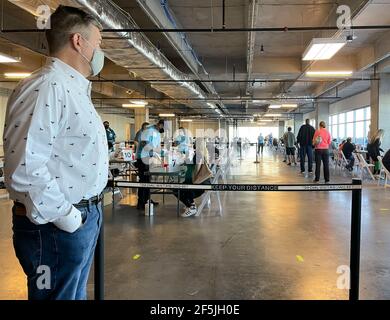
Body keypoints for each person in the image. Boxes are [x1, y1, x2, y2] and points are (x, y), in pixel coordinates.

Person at [3, 6, 107, 300]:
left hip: (80, 219)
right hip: (54, 228)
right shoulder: (46, 87)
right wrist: (70, 218)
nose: (100, 51)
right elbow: (24, 169)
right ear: (78, 41)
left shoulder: (71, 88)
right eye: (98, 43)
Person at [174, 138, 210, 218]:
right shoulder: (203, 153)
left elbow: (197, 169)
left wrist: (192, 180)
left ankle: (191, 207)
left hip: (197, 184)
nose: (193, 145)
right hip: (200, 182)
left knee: (176, 189)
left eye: (194, 143)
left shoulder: (199, 154)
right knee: (178, 187)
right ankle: (190, 204)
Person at [135, 119, 165, 210]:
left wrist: (161, 152)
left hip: (148, 158)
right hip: (142, 158)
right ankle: (141, 203)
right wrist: (155, 151)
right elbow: (145, 144)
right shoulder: (148, 130)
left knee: (148, 180)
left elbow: (156, 146)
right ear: (160, 125)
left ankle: (147, 200)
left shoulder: (156, 132)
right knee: (143, 180)